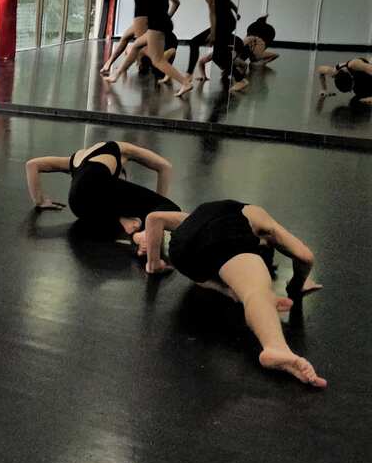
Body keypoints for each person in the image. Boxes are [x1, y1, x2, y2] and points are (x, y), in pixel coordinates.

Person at [137, 202, 325, 387]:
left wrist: (154, 263)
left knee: (241, 285)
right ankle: (276, 347)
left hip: (181, 253)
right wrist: (295, 287)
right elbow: (306, 256)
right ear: (262, 242)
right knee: (256, 292)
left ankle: (236, 294)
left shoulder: (194, 217)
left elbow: (154, 218)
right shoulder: (256, 220)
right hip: (219, 241)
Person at [25, 140, 178, 236]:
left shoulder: (74, 159)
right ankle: (143, 227)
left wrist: (40, 201)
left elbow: (32, 165)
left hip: (77, 205)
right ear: (121, 173)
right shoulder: (119, 148)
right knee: (170, 209)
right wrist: (159, 210)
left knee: (123, 209)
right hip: (96, 189)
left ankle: (128, 222)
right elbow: (165, 166)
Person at [104, 0, 193, 97]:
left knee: (158, 61)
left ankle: (185, 82)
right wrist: (167, 16)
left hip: (156, 24)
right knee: (136, 46)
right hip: (164, 22)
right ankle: (116, 75)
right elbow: (176, 2)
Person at [187, 0, 248, 92]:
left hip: (223, 24)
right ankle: (239, 77)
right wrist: (236, 11)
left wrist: (213, 33)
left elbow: (212, 13)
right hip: (229, 22)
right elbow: (229, 2)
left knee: (195, 43)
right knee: (217, 54)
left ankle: (241, 80)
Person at [100, 0, 152, 77]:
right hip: (146, 17)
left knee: (141, 46)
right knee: (125, 38)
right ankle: (109, 63)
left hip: (142, 17)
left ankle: (151, 65)